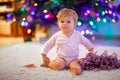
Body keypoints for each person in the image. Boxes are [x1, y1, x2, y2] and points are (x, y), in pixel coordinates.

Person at [40, 8, 94, 75]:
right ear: (58, 23)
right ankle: (48, 63)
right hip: (62, 58)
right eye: (62, 21)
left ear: (74, 23)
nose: (65, 24)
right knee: (58, 65)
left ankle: (75, 69)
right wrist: (44, 54)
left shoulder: (77, 35)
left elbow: (85, 41)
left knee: (76, 66)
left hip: (74, 58)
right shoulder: (58, 35)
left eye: (68, 22)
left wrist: (90, 49)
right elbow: (48, 44)